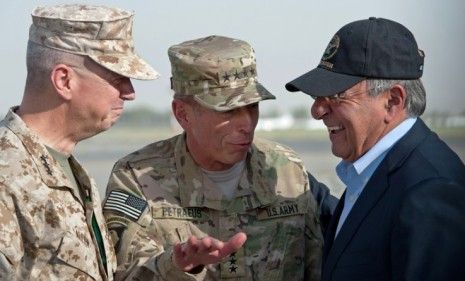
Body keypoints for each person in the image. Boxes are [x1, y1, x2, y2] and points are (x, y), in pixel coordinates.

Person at [103, 35, 323, 280]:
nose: (247, 124)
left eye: (252, 107)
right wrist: (176, 264)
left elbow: (318, 267)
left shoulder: (286, 170)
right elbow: (124, 273)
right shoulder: (137, 177)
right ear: (183, 114)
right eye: (228, 110)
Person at [285, 17, 465, 281]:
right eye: (316, 97)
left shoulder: (430, 191)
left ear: (392, 101)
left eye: (335, 96)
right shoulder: (374, 172)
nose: (317, 111)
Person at [0, 4, 158, 280]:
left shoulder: (70, 170)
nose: (129, 93)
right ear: (64, 80)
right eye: (118, 78)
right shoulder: (6, 175)